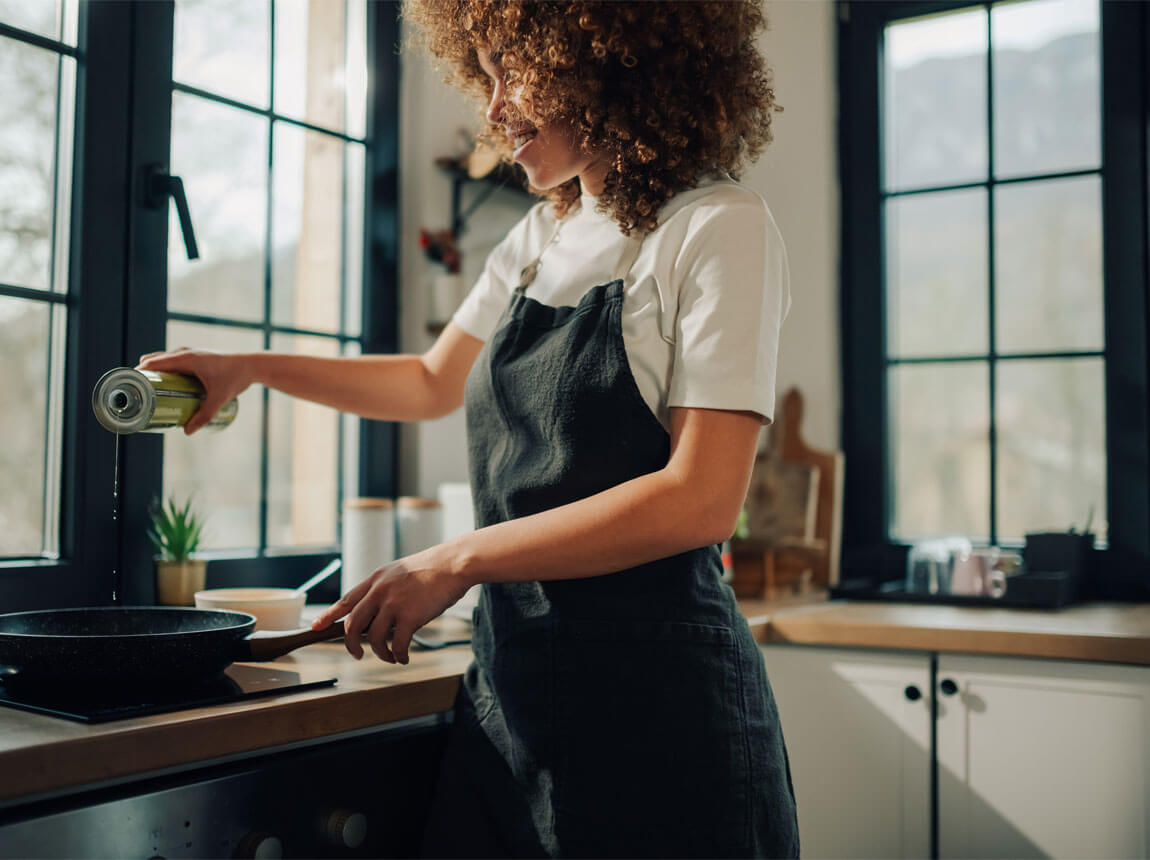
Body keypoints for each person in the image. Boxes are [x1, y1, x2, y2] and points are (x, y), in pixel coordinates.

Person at [139, 1, 799, 856]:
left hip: (665, 715)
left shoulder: (717, 226)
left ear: (612, 56)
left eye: (513, 69)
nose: (491, 109)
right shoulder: (539, 236)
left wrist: (454, 558)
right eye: (481, 74)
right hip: (512, 699)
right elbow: (426, 382)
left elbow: (700, 499)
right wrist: (252, 367)